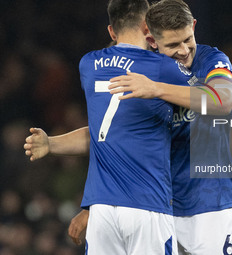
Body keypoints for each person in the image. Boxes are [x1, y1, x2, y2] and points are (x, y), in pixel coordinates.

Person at [24, 0, 232, 254]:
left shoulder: (211, 60)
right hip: (158, 204)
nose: (183, 51)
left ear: (194, 28)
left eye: (187, 40)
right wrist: (92, 205)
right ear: (153, 41)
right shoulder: (144, 70)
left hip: (209, 203)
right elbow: (110, 135)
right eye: (173, 45)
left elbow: (223, 101)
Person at [30, 0, 193, 254]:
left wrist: (51, 143)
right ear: (147, 26)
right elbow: (216, 99)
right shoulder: (163, 67)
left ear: (111, 32)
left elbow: (105, 131)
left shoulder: (88, 65)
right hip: (147, 204)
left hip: (102, 211)